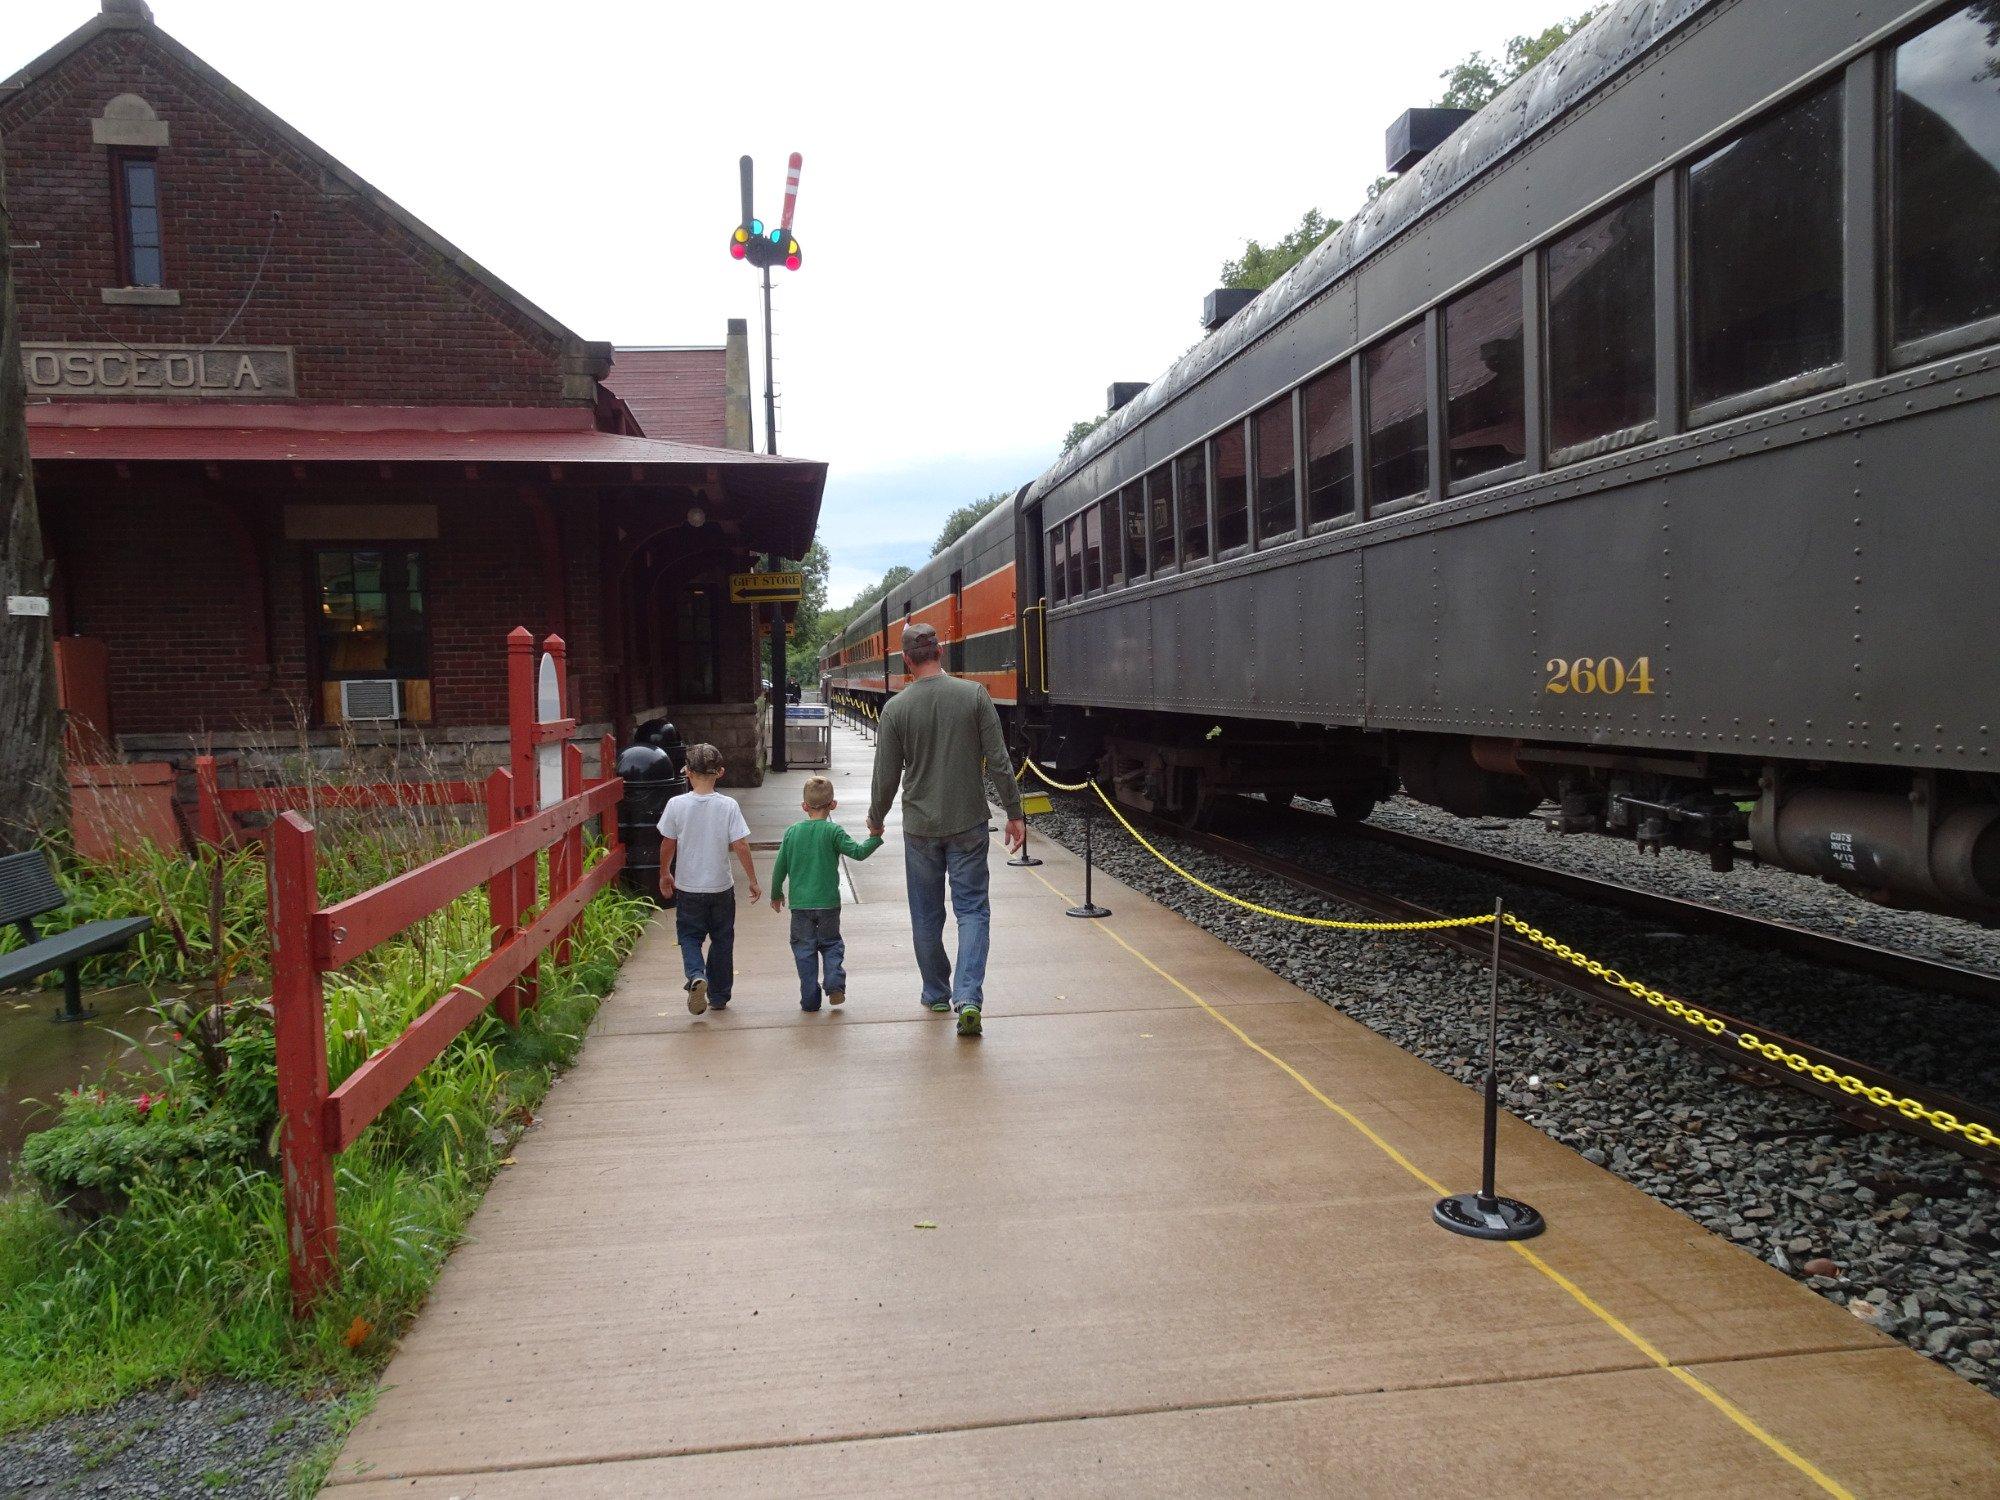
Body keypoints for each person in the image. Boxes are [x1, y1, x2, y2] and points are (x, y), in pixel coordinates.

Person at [866, 621, 1025, 1037]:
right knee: (972, 910)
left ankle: (936, 992)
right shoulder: (973, 695)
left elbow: (885, 777)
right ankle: (968, 996)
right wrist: (1015, 811)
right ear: (941, 652)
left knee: (926, 913)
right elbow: (1000, 760)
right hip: (969, 821)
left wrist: (876, 817)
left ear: (906, 661)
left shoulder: (895, 709)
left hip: (919, 827)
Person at [657, 743, 761, 1014]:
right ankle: (719, 996)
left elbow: (668, 843)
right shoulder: (728, 806)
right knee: (722, 939)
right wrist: (752, 879)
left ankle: (696, 974)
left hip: (689, 888)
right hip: (720, 888)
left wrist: (665, 872)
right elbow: (740, 845)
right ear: (721, 772)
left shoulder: (676, 805)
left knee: (690, 937)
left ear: (687, 772)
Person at [769, 774, 882, 1011]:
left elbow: (781, 866)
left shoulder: (792, 832)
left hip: (800, 905)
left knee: (804, 950)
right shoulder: (834, 832)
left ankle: (810, 1000)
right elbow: (859, 853)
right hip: (829, 903)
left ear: (804, 806)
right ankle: (834, 983)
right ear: (833, 805)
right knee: (831, 944)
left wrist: (776, 893)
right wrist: (875, 837)